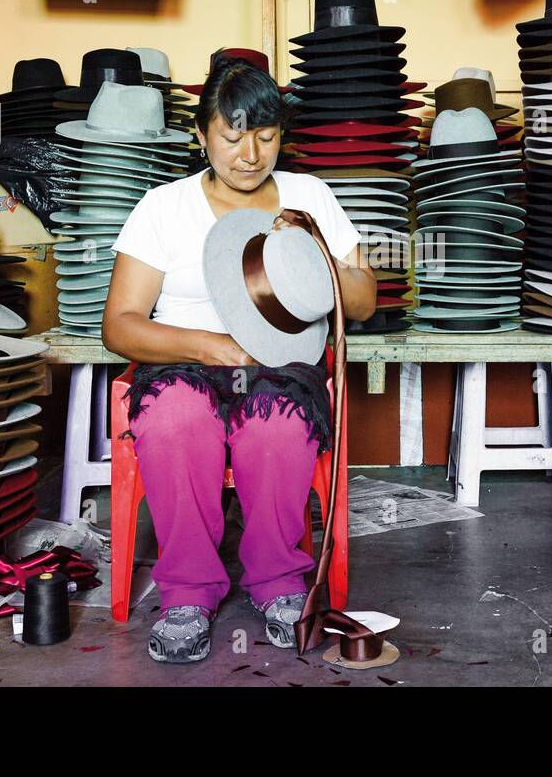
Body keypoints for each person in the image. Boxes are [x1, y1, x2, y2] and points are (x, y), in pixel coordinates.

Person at [103, 50, 377, 664]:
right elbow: (119, 326)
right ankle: (188, 594)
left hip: (282, 364)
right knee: (176, 419)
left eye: (266, 135)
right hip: (183, 358)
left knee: (277, 426)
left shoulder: (309, 196)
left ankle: (278, 581)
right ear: (202, 135)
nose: (249, 154)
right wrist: (210, 347)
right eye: (231, 136)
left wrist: (315, 252)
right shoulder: (163, 208)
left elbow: (360, 302)